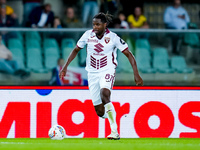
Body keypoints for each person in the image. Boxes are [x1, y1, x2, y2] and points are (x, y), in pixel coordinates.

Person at [59, 12, 143, 140]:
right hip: (92, 73)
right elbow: (76, 49)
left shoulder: (113, 38)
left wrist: (136, 74)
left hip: (107, 71)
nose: (95, 27)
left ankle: (114, 131)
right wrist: (65, 67)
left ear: (105, 25)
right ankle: (112, 114)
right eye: (93, 24)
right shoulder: (87, 35)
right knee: (99, 111)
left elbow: (129, 54)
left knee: (105, 94)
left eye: (98, 24)